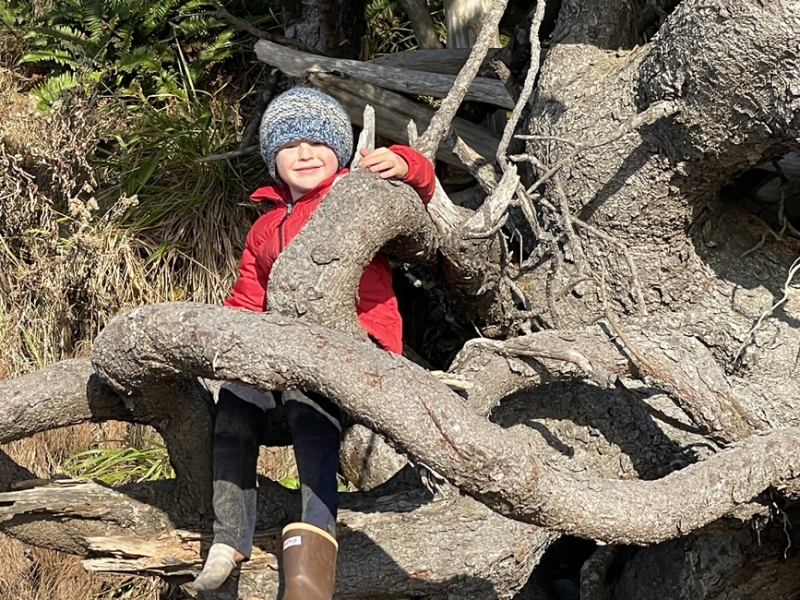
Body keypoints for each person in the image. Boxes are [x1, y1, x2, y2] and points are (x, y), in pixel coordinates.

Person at [193, 86, 435, 599]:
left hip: (352, 345)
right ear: (272, 160)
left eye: (317, 143)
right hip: (279, 350)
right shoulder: (264, 226)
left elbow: (422, 194)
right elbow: (246, 300)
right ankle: (227, 540)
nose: (304, 154)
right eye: (289, 146)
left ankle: (312, 565)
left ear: (340, 151)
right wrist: (223, 352)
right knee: (234, 403)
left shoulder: (358, 194)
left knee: (309, 410)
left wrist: (405, 161)